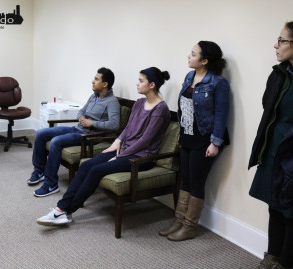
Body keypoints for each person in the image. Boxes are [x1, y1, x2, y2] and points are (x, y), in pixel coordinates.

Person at [36, 67, 171, 225]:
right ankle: (61, 209)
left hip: (142, 157)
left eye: (141, 81)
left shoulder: (161, 109)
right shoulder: (140, 103)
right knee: (86, 166)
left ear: (152, 85)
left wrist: (121, 155)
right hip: (125, 150)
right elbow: (128, 129)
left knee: (96, 170)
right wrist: (117, 143)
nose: (137, 83)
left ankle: (66, 211)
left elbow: (145, 141)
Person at [159, 41, 230, 241]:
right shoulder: (189, 76)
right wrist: (182, 135)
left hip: (205, 139)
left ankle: (189, 226)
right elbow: (184, 108)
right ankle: (178, 221)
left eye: (193, 54)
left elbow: (222, 115)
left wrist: (215, 142)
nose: (188, 56)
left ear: (204, 60)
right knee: (186, 179)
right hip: (187, 136)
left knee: (197, 182)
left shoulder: (218, 82)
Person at [29, 67, 120, 197]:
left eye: (96, 79)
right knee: (41, 133)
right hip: (77, 129)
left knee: (56, 142)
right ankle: (39, 171)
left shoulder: (112, 102)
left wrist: (92, 123)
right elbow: (81, 111)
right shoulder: (93, 96)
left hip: (88, 136)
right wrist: (81, 118)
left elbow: (114, 125)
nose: (92, 81)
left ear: (105, 84)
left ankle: (51, 184)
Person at [249, 22, 293, 269]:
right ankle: (271, 260)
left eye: (281, 40)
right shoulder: (279, 74)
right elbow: (268, 108)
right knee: (275, 208)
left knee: (291, 215)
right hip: (274, 152)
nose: (276, 45)